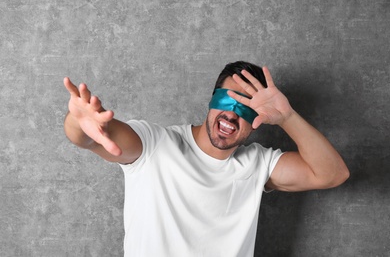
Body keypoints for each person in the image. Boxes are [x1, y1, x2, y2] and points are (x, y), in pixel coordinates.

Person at [63, 61, 349, 256]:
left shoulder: (258, 165)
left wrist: (287, 117)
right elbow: (88, 137)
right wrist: (79, 123)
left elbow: (332, 174)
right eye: (229, 99)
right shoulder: (154, 145)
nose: (233, 114)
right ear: (212, 100)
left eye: (248, 108)